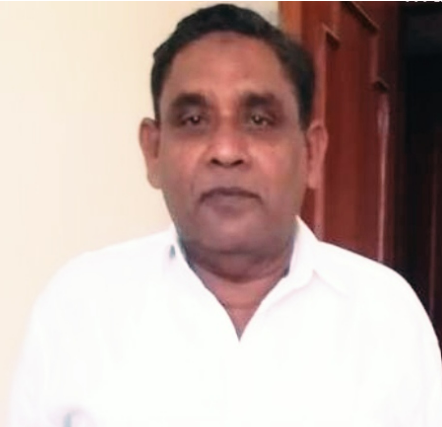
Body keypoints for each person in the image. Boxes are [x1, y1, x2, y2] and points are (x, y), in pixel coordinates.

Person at [8, 4, 442, 427]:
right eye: (194, 119)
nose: (226, 150)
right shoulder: (79, 308)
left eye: (259, 120)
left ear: (311, 153)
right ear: (153, 151)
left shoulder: (387, 316)